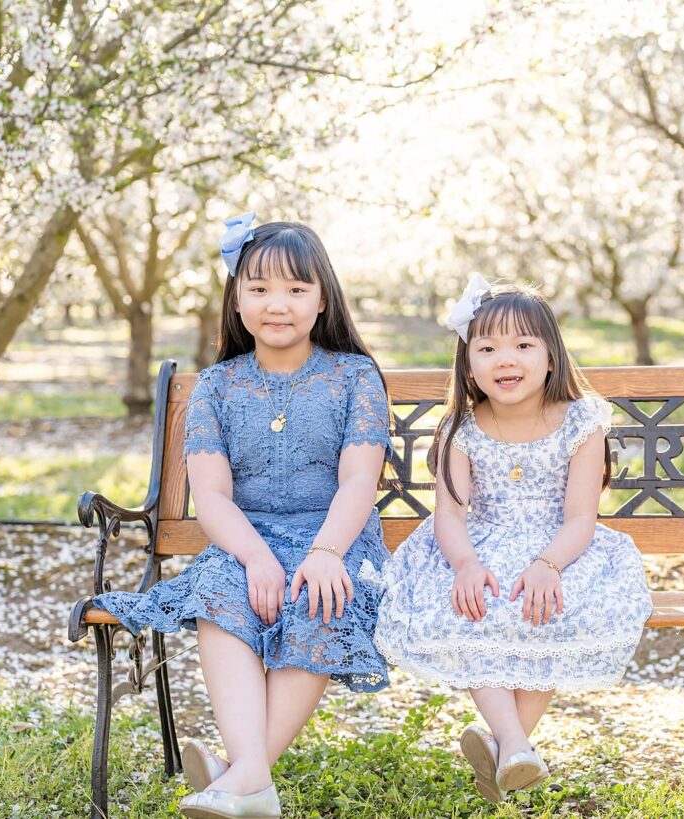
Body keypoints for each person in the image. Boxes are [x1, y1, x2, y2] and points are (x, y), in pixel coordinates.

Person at [93, 213, 392, 819]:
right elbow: (214, 497)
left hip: (333, 539)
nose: (276, 304)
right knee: (221, 594)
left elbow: (360, 479)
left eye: (295, 289)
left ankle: (244, 774)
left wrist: (326, 552)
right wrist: (254, 555)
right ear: (235, 299)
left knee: (319, 598)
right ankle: (248, 780)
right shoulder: (218, 386)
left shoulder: (354, 376)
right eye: (258, 289)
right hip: (244, 538)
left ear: (322, 298)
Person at [366, 274, 652, 803]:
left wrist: (548, 564)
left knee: (549, 607)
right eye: (488, 347)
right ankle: (516, 747)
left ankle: (505, 746)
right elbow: (449, 514)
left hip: (561, 548)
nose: (506, 359)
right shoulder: (463, 427)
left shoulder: (580, 422)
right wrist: (466, 565)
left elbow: (581, 518)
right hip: (479, 544)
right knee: (476, 605)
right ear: (468, 360)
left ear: (550, 356)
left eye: (523, 345)